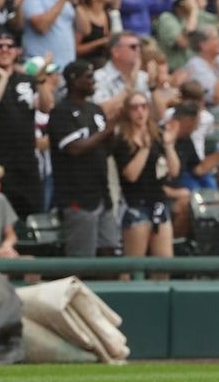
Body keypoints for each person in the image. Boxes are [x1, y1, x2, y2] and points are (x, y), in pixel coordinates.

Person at [0, 27, 52, 218]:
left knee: (30, 220)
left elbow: (46, 107)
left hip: (26, 166)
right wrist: (3, 78)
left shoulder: (27, 79)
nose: (5, 50)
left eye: (10, 46)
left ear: (17, 51)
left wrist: (41, 80)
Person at [47, 59, 119, 257]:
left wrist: (112, 134)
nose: (93, 81)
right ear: (73, 80)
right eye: (88, 77)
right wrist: (106, 131)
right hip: (76, 197)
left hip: (101, 194)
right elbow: (74, 149)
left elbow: (107, 150)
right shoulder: (61, 112)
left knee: (111, 250)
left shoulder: (96, 110)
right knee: (82, 258)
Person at [113, 91, 179, 260]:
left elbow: (173, 171)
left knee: (165, 261)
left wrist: (169, 145)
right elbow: (131, 175)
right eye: (135, 107)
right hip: (135, 205)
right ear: (127, 111)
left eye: (144, 106)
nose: (140, 111)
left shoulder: (157, 135)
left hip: (158, 203)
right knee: (134, 263)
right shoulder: (121, 140)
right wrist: (144, 148)